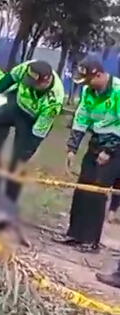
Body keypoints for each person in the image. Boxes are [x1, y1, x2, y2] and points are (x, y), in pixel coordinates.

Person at [53, 58, 120, 252]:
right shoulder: (88, 91)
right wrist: (72, 147)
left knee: (98, 189)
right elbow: (81, 118)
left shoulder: (117, 90)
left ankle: (91, 240)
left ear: (99, 74)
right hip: (96, 140)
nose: (86, 85)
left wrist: (109, 150)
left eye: (89, 80)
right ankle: (75, 234)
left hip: (116, 145)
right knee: (83, 186)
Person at [0, 60, 65, 203]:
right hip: (16, 107)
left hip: (31, 123)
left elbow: (37, 134)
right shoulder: (27, 68)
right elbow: (10, 78)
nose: (28, 84)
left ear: (45, 82)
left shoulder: (54, 102)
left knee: (16, 167)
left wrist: (24, 155)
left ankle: (7, 203)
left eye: (33, 83)